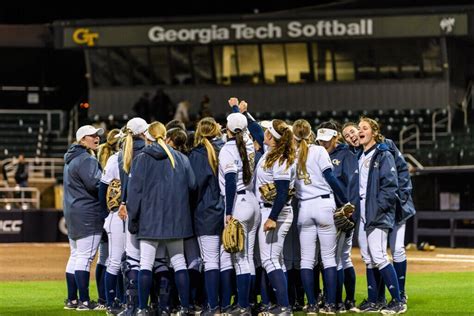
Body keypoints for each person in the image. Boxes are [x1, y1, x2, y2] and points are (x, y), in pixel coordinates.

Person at [126, 121, 197, 315]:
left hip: (149, 220)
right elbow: (192, 186)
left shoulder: (141, 158)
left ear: (148, 137)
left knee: (146, 264)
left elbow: (134, 193)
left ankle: (142, 308)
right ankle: (185, 307)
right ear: (165, 135)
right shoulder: (181, 158)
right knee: (179, 262)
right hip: (176, 219)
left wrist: (132, 219)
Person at [292, 119, 349, 314]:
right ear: (311, 134)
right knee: (329, 259)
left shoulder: (292, 154)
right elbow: (331, 178)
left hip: (304, 207)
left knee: (307, 260)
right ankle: (331, 305)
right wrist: (344, 201)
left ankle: (312, 305)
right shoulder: (318, 151)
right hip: (324, 204)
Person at [354, 117, 406, 314]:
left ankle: (398, 300)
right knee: (368, 257)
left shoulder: (383, 153)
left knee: (379, 255)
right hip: (362, 212)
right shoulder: (360, 155)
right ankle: (376, 300)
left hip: (376, 211)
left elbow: (390, 186)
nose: (360, 131)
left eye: (364, 128)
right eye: (359, 128)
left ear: (374, 133)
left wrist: (379, 209)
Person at [218, 108, 259, 315]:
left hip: (238, 203)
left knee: (240, 259)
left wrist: (228, 212)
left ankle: (242, 306)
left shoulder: (227, 148)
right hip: (253, 201)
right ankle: (248, 302)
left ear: (228, 129)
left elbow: (231, 181)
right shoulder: (250, 145)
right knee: (249, 257)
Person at [316, 121, 359, 313]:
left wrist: (349, 209)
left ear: (335, 137)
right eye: (320, 140)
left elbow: (352, 184)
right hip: (324, 211)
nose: (323, 143)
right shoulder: (317, 153)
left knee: (339, 258)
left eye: (326, 140)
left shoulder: (346, 155)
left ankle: (342, 300)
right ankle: (339, 299)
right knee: (336, 258)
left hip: (341, 211)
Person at [255, 119, 296, 316]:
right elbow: (256, 131)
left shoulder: (281, 159)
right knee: (276, 261)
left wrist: (272, 218)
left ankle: (284, 307)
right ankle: (281, 304)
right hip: (270, 209)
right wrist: (242, 113)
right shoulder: (271, 153)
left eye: (267, 131)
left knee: (269, 260)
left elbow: (282, 193)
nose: (264, 133)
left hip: (276, 211)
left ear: (271, 136)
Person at [63, 125, 104, 311]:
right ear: (82, 140)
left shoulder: (70, 158)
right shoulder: (85, 159)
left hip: (73, 212)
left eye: (97, 135)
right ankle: (85, 301)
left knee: (76, 256)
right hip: (87, 213)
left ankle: (72, 300)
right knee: (85, 258)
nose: (96, 138)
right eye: (92, 136)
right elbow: (96, 184)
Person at [188, 117, 225, 315]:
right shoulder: (226, 149)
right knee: (226, 261)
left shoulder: (198, 154)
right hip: (227, 211)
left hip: (206, 212)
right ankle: (225, 303)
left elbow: (194, 186)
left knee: (210, 261)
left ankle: (212, 306)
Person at [117, 117, 149, 316]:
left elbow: (124, 185)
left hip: (129, 209)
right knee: (156, 260)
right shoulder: (148, 152)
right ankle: (156, 306)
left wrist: (122, 202)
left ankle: (131, 306)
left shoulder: (123, 154)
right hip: (152, 210)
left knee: (133, 260)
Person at [97, 128, 125, 314]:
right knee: (116, 261)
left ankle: (115, 300)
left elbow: (102, 189)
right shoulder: (116, 159)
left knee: (111, 260)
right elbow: (103, 189)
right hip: (116, 216)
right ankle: (112, 301)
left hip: (116, 215)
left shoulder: (113, 159)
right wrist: (107, 213)